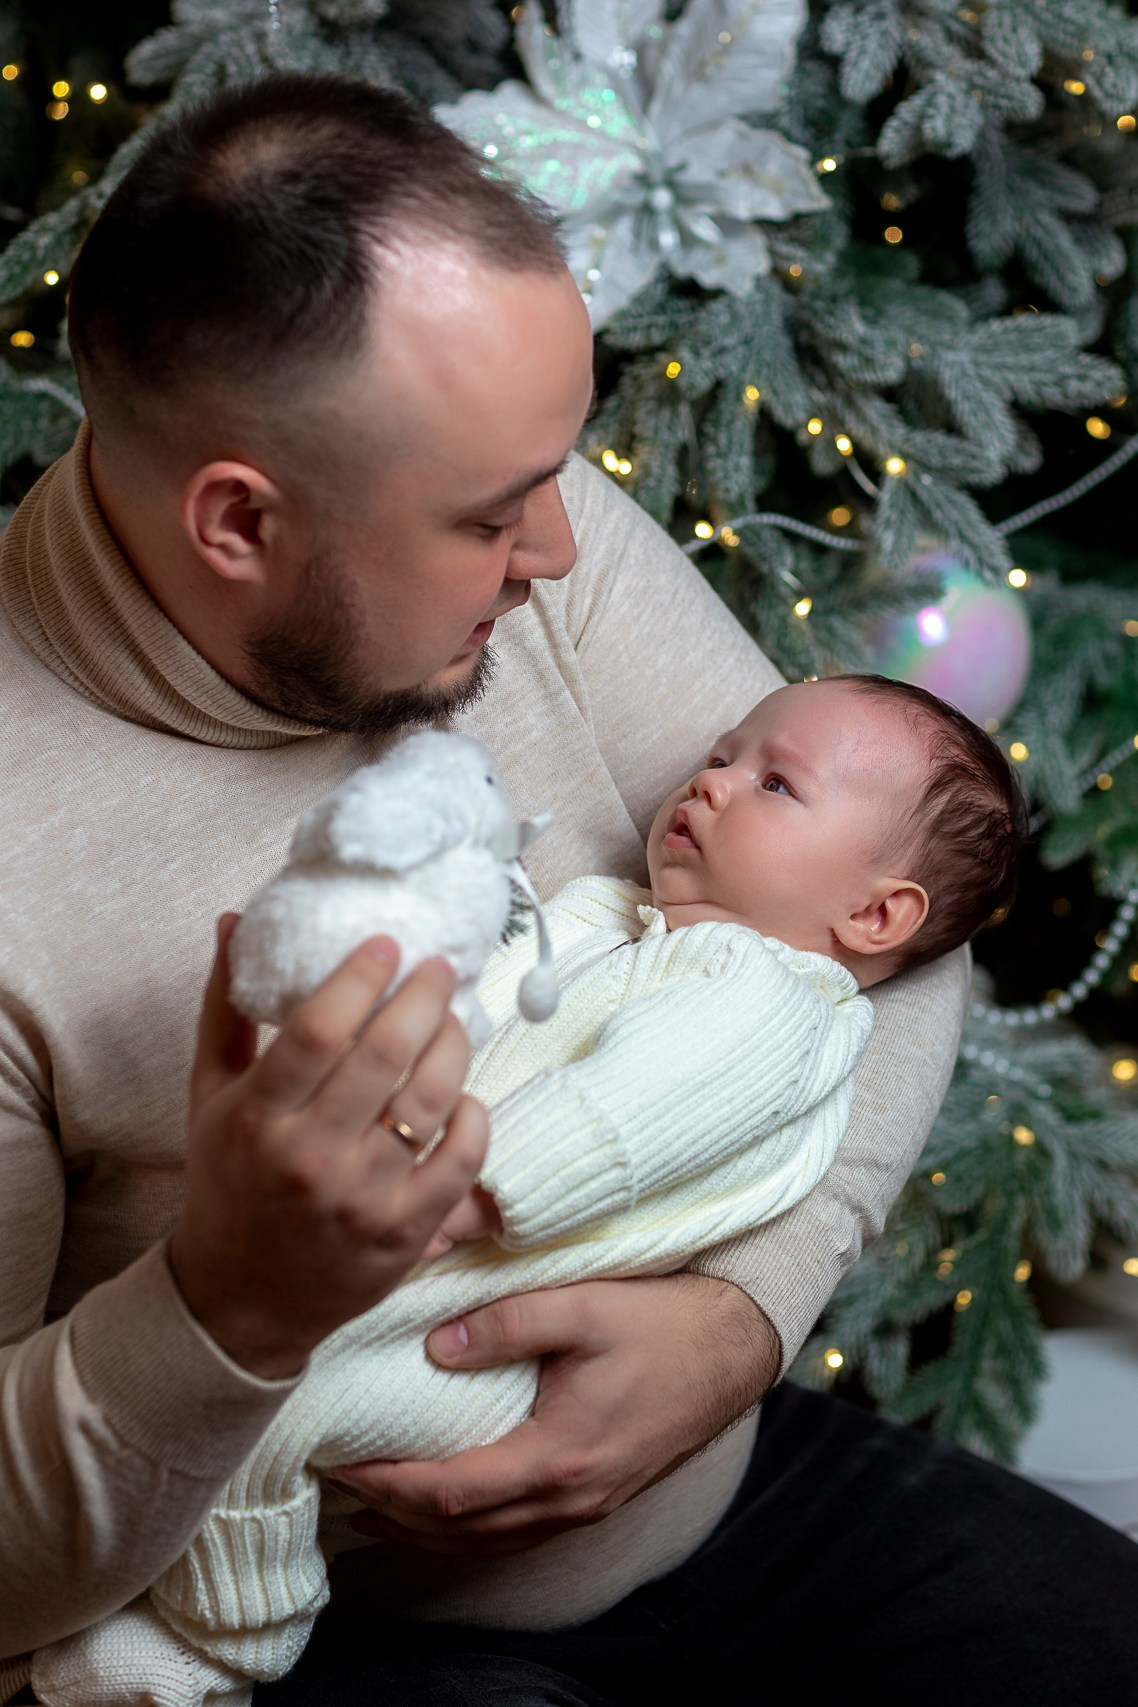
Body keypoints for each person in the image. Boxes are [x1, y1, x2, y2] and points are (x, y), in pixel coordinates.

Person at [1, 73, 1135, 1707]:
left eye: (557, 476)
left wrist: (737, 1324)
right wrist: (228, 1303)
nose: (556, 549)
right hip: (323, 1630)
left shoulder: (526, 514)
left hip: (731, 1493)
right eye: (487, 518)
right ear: (238, 520)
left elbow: (890, 907)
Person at [32, 671, 1024, 1705]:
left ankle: (216, 1654)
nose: (713, 782)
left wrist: (448, 1200)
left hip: (495, 1340)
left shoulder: (765, 1000)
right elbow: (482, 1015)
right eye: (724, 754)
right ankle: (146, 1607)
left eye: (775, 785)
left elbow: (609, 1123)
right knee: (223, 1417)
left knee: (266, 1420)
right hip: (428, 1280)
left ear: (873, 913)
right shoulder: (615, 921)